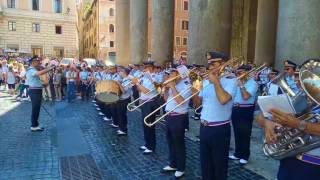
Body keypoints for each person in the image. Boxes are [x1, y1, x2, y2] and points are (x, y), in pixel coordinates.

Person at [193, 52, 237, 180]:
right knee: (205, 164)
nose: (210, 67)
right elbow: (197, 104)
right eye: (209, 64)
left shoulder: (231, 80)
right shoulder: (206, 81)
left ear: (223, 64)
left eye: (213, 64)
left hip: (220, 128)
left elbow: (224, 100)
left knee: (219, 165)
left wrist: (216, 82)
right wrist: (194, 87)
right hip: (204, 127)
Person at [257, 108, 320, 180]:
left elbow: (299, 123)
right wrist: (267, 123)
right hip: (289, 157)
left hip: (314, 164)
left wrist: (297, 124)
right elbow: (260, 116)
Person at [161, 67, 192, 178]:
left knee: (179, 143)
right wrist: (165, 90)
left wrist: (173, 87)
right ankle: (173, 164)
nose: (170, 75)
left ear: (181, 74)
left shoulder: (187, 85)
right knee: (170, 142)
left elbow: (181, 102)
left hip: (179, 117)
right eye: (170, 73)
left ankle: (181, 168)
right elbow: (166, 100)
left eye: (173, 73)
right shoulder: (172, 84)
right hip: (169, 115)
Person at [229, 65, 258, 165]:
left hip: (246, 109)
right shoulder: (236, 82)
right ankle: (237, 153)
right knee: (237, 132)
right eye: (237, 73)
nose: (238, 75)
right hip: (236, 108)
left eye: (240, 72)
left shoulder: (253, 83)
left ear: (247, 72)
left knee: (245, 133)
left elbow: (245, 96)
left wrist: (241, 84)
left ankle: (245, 155)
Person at [132, 61, 158, 154]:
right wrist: (137, 83)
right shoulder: (144, 77)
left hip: (150, 103)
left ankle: (151, 146)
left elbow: (147, 91)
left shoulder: (154, 78)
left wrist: (138, 84)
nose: (144, 69)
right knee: (145, 125)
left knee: (149, 125)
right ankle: (147, 143)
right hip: (144, 102)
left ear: (151, 68)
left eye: (146, 68)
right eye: (144, 68)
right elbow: (140, 90)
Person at [26, 56, 55, 132]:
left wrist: (43, 84)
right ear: (33, 62)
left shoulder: (33, 69)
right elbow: (40, 73)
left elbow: (35, 81)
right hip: (34, 91)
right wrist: (49, 68)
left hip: (36, 90)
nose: (39, 63)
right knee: (35, 109)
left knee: (37, 109)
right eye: (37, 61)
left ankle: (35, 124)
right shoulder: (31, 70)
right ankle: (34, 126)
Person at [115, 68, 132, 135]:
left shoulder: (128, 80)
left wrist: (119, 84)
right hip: (120, 99)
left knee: (122, 115)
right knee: (119, 114)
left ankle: (124, 130)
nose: (119, 72)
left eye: (121, 71)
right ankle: (121, 128)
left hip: (124, 99)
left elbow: (124, 91)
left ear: (124, 73)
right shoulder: (123, 79)